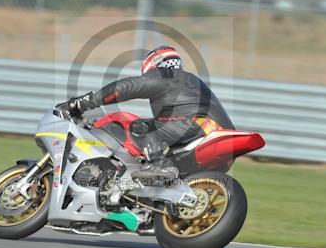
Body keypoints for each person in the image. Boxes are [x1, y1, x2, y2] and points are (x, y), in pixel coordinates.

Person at [65, 45, 235, 179]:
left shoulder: (167, 74)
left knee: (136, 126)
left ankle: (161, 165)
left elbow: (126, 88)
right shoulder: (189, 79)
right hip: (216, 137)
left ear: (154, 64)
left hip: (200, 127)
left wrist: (85, 103)